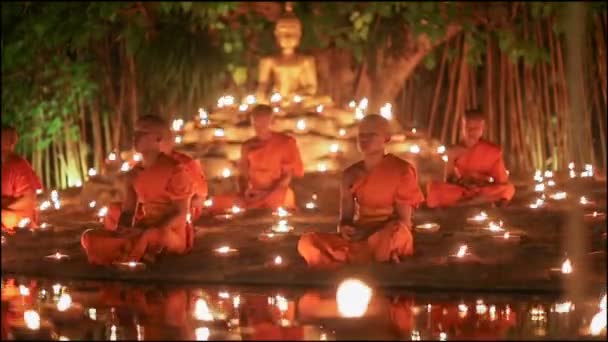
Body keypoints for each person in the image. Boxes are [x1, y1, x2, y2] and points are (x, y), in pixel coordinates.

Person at [297, 114, 424, 268]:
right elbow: (345, 219)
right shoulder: (350, 174)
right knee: (308, 242)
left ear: (387, 138)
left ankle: (351, 260)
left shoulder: (401, 170)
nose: (365, 139)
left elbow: (404, 222)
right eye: (361, 135)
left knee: (398, 233)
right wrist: (345, 228)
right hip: (360, 237)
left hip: (385, 236)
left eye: (372, 135)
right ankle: (367, 258)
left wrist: (372, 233)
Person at [81, 115, 193, 265]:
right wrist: (123, 230)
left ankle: (132, 252)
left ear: (158, 139)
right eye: (135, 132)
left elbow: (180, 212)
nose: (136, 137)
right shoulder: (135, 172)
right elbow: (128, 211)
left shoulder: (175, 170)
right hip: (143, 228)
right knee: (89, 237)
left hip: (168, 234)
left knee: (150, 236)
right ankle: (137, 251)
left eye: (143, 133)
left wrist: (149, 231)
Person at [212, 104, 304, 212]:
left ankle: (257, 205)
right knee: (218, 201)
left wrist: (266, 193)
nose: (260, 127)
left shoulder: (286, 142)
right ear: (252, 122)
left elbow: (287, 176)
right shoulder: (247, 146)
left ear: (272, 122)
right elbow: (244, 176)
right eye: (257, 123)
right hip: (254, 192)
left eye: (264, 123)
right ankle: (253, 204)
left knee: (279, 199)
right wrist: (244, 192)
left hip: (277, 192)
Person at [426, 109, 515, 208]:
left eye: (476, 128)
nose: (472, 132)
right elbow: (449, 179)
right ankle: (476, 202)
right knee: (434, 188)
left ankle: (468, 203)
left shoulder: (493, 151)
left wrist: (480, 182)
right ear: (462, 128)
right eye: (468, 128)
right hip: (463, 190)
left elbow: (501, 181)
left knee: (508, 188)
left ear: (483, 129)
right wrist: (462, 181)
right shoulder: (454, 150)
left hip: (483, 189)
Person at [1, 126, 43, 232]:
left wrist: (5, 207)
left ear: (12, 141)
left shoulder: (18, 165)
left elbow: (29, 199)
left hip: (18, 218)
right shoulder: (4, 165)